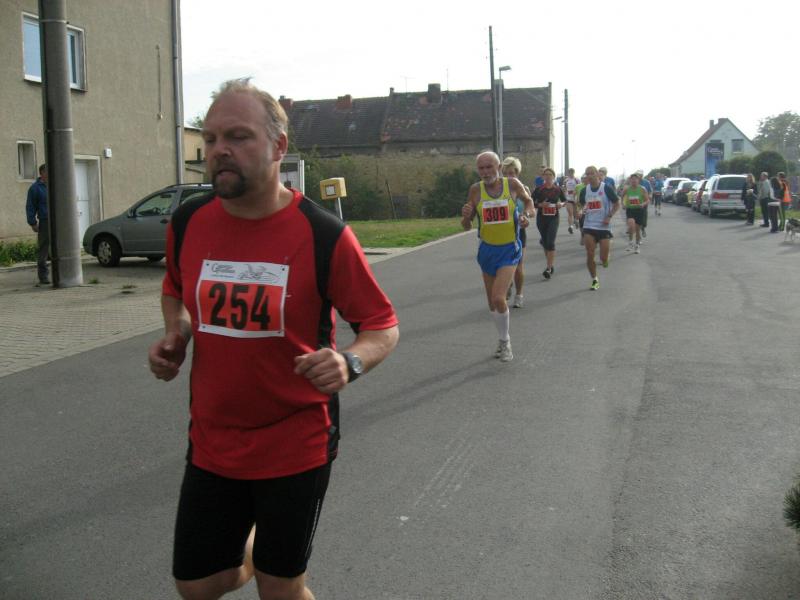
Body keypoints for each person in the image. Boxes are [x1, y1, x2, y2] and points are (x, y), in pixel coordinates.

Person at [147, 79, 399, 600]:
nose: (219, 149)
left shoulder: (323, 234)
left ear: (278, 146)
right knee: (197, 585)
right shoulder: (189, 221)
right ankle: (255, 553)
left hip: (295, 442)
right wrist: (177, 332)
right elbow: (174, 288)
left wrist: (350, 362)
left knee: (281, 589)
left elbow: (382, 324)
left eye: (238, 136)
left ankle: (269, 563)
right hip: (213, 438)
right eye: (211, 138)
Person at [462, 150, 534, 362]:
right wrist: (465, 218)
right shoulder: (475, 190)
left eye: (489, 167)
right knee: (492, 304)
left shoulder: (512, 184)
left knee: (498, 298)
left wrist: (526, 216)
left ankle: (505, 342)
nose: (485, 172)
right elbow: (467, 225)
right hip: (487, 250)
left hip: (509, 249)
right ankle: (502, 339)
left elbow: (529, 203)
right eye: (481, 168)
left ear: (499, 168)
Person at [578, 165, 620, 290]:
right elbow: (582, 204)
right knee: (590, 253)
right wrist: (581, 210)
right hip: (589, 225)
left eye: (592, 173)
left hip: (603, 226)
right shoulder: (584, 191)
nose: (589, 176)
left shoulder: (606, 188)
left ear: (597, 174)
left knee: (603, 257)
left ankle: (605, 259)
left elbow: (617, 203)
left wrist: (609, 216)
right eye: (587, 174)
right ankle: (594, 279)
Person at [501, 156, 530, 308]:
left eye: (512, 173)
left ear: (517, 173)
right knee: (502, 266)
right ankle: (508, 284)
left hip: (518, 232)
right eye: (505, 173)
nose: (509, 177)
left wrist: (526, 216)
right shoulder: (497, 189)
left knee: (518, 266)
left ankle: (519, 294)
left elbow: (530, 207)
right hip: (501, 233)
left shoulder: (523, 189)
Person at [532, 167, 566, 278]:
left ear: (553, 177)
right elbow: (531, 203)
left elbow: (565, 201)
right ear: (543, 177)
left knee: (550, 242)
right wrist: (540, 205)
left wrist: (561, 204)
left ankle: (549, 268)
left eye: (550, 174)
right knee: (546, 242)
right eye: (545, 174)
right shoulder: (539, 189)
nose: (547, 176)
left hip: (553, 218)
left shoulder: (558, 189)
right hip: (541, 218)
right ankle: (549, 262)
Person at [25, 164, 49, 284]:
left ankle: (62, 272)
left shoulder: (55, 185)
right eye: (47, 171)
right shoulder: (35, 188)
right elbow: (30, 206)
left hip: (58, 221)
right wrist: (33, 223)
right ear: (42, 173)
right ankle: (43, 276)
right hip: (45, 221)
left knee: (61, 247)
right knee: (43, 249)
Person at [622, 172, 650, 253]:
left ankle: (637, 245)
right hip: (630, 210)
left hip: (639, 210)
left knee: (637, 230)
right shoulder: (626, 189)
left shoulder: (642, 189)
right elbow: (622, 197)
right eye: (632, 179)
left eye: (635, 179)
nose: (634, 180)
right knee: (631, 226)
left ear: (638, 180)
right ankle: (630, 242)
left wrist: (643, 204)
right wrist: (623, 204)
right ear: (630, 180)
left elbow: (647, 200)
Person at [562, 167, 580, 234]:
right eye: (569, 172)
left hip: (575, 199)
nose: (570, 174)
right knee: (570, 213)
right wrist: (565, 197)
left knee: (576, 213)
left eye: (572, 172)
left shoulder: (577, 180)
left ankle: (576, 221)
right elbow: (564, 189)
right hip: (568, 199)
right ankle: (571, 227)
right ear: (568, 173)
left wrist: (577, 197)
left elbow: (579, 189)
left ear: (573, 173)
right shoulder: (566, 181)